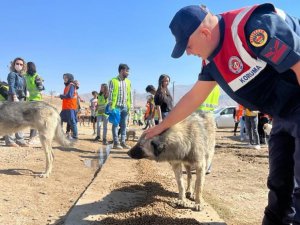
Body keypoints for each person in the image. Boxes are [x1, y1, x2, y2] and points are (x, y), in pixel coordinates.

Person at [145, 4, 300, 224]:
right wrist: (160, 127)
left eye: (188, 45)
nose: (188, 52)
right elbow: (193, 98)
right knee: (279, 184)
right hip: (282, 113)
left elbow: (298, 64)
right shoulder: (211, 62)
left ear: (205, 33)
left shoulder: (253, 29)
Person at [5, 57, 29, 147]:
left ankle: (20, 140)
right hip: (13, 98)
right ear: (14, 64)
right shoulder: (12, 74)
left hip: (21, 99)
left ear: (23, 66)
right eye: (17, 63)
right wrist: (14, 96)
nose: (19, 65)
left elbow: (23, 87)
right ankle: (9, 141)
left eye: (21, 64)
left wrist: (26, 92)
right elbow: (11, 86)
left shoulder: (22, 77)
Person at [108, 63, 132, 149]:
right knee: (115, 125)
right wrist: (111, 106)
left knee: (124, 125)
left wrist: (130, 106)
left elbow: (130, 94)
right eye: (127, 71)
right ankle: (116, 142)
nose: (128, 73)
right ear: (122, 71)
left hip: (125, 106)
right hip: (116, 107)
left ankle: (123, 142)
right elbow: (110, 94)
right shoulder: (113, 81)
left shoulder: (128, 82)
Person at [25, 61, 45, 144]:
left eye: (26, 66)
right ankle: (34, 136)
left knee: (34, 119)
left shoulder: (36, 76)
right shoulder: (25, 76)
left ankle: (32, 138)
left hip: (37, 100)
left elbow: (41, 88)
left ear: (30, 67)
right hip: (29, 100)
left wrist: (39, 85)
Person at [59, 73, 78, 140]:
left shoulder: (71, 85)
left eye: (66, 78)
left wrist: (61, 96)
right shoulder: (67, 86)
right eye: (64, 78)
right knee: (59, 119)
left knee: (72, 121)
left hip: (70, 107)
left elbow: (70, 95)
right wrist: (62, 97)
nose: (64, 79)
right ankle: (60, 134)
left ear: (69, 78)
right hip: (65, 107)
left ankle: (75, 136)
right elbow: (67, 96)